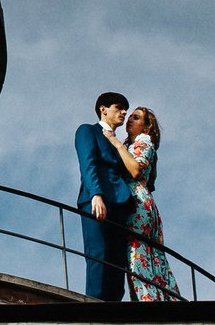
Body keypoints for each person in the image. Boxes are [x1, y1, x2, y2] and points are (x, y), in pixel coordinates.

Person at [102, 107, 178, 303]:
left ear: (147, 126)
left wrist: (115, 142)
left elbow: (135, 170)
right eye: (130, 117)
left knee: (137, 253)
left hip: (137, 202)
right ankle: (159, 299)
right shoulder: (131, 143)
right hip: (139, 201)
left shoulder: (144, 141)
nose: (130, 120)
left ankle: (148, 301)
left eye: (136, 118)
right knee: (145, 255)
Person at [74, 92, 134, 300]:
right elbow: (87, 164)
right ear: (103, 109)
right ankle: (95, 308)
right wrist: (96, 195)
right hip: (97, 200)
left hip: (121, 204)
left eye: (125, 109)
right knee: (98, 256)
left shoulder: (120, 143)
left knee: (118, 262)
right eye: (119, 107)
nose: (124, 112)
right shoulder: (88, 131)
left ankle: (114, 311)